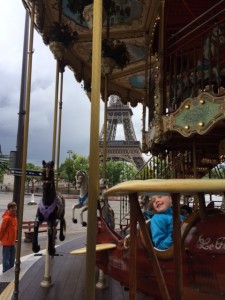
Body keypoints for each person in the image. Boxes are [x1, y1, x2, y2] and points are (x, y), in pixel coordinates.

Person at [0, 201, 18, 273]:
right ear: (9, 209)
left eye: (15, 207)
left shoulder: (14, 217)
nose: (14, 209)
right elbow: (2, 229)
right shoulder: (7, 218)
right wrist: (0, 238)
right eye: (12, 208)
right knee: (6, 257)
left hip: (12, 241)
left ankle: (10, 270)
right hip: (7, 241)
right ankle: (5, 271)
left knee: (12, 257)